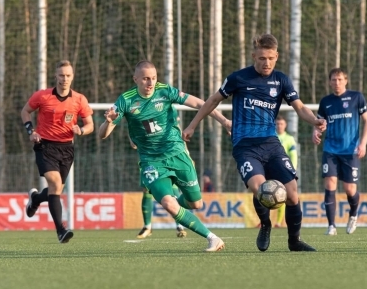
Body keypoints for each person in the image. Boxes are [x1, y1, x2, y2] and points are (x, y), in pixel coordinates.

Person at [182, 34, 326, 252]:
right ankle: (266, 224)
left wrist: (315, 120)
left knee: (292, 193)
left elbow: (299, 107)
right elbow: (212, 101)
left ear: (276, 56)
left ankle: (294, 241)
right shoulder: (238, 78)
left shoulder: (281, 80)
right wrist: (192, 125)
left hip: (271, 144)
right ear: (253, 56)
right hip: (245, 146)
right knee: (259, 188)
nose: (266, 62)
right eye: (261, 58)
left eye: (270, 58)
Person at [98, 60, 230, 252]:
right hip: (151, 161)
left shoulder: (165, 91)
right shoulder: (126, 100)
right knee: (169, 203)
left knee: (196, 203)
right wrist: (108, 122)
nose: (150, 83)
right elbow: (103, 135)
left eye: (153, 78)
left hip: (177, 153)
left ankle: (178, 210)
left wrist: (225, 121)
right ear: (135, 79)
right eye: (145, 79)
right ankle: (212, 238)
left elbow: (200, 103)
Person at [21, 60, 94, 244]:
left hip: (67, 148)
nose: (65, 79)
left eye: (68, 75)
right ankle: (61, 230)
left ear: (73, 76)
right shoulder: (43, 96)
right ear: (56, 76)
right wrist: (31, 131)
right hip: (45, 145)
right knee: (54, 183)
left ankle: (36, 199)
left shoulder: (79, 99)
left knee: (57, 188)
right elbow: (25, 111)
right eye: (61, 75)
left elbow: (90, 124)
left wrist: (82, 130)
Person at [312, 68, 367, 236]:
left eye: (339, 79)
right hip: (330, 149)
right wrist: (316, 133)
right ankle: (331, 225)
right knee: (330, 184)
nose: (336, 83)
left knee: (349, 189)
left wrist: (363, 143)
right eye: (333, 80)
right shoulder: (325, 102)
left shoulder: (356, 97)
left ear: (345, 81)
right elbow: (319, 123)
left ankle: (353, 215)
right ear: (330, 82)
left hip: (350, 150)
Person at [129, 138, 187, 239]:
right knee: (147, 190)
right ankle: (147, 226)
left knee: (174, 190)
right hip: (149, 160)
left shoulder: (169, 123)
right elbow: (134, 144)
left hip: (169, 157)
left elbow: (178, 134)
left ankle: (180, 225)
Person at [274, 115, 298, 228]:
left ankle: (278, 222)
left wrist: (292, 170)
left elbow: (293, 155)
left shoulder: (289, 139)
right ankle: (264, 221)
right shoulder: (271, 137)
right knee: (264, 193)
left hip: (283, 170)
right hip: (269, 169)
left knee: (282, 196)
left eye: (281, 124)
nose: (279, 126)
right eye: (277, 124)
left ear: (285, 125)